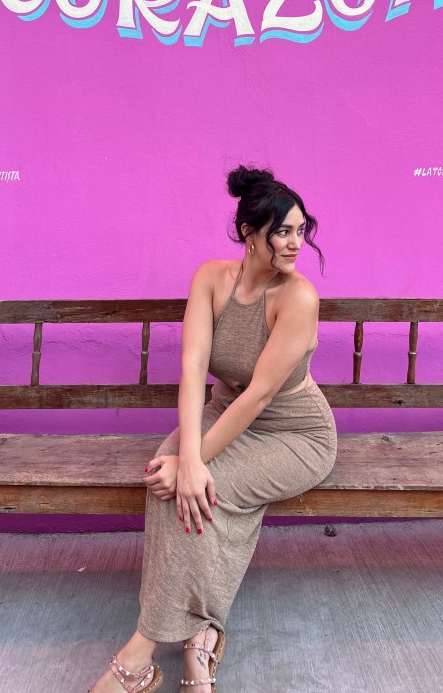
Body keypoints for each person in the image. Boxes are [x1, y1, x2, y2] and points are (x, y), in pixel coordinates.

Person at [90, 165, 338, 692]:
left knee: (201, 484)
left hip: (293, 434)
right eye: (283, 232)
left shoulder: (298, 297)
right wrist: (186, 460)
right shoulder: (209, 279)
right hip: (222, 412)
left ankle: (138, 658)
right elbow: (191, 371)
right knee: (167, 481)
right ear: (249, 233)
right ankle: (200, 638)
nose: (296, 243)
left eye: (301, 231)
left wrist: (196, 461)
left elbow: (260, 395)